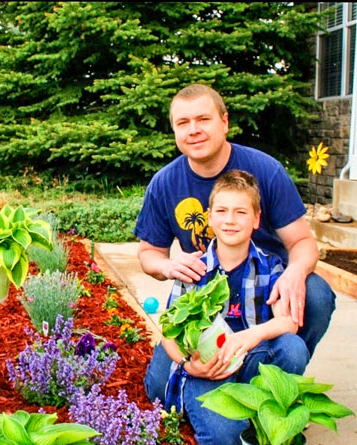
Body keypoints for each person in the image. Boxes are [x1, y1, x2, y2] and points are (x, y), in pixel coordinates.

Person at [135, 84, 335, 360]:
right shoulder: (164, 184)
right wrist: (167, 265)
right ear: (174, 130)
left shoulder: (266, 171)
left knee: (316, 296)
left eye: (203, 119)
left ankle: (281, 368)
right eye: (183, 122)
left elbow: (302, 242)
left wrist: (295, 272)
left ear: (224, 122)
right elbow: (148, 254)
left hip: (265, 288)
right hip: (205, 293)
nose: (193, 129)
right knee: (159, 384)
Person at [151, 170, 309, 445]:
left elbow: (289, 322)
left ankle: (257, 407)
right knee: (225, 443)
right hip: (206, 367)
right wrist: (189, 366)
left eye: (241, 212)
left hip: (249, 360)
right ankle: (216, 408)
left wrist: (252, 336)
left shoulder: (269, 266)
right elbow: (169, 332)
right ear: (210, 217)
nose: (230, 220)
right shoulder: (194, 269)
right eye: (222, 211)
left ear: (256, 219)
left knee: (293, 348)